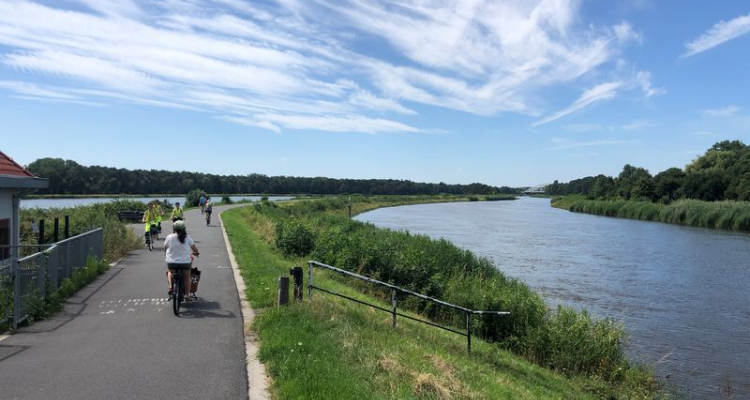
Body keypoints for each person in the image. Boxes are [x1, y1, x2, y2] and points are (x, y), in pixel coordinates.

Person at [164, 220, 199, 300]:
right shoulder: (188, 237)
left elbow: (165, 248)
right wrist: (197, 253)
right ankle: (187, 295)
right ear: (184, 229)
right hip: (185, 263)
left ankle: (170, 286)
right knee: (187, 277)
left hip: (171, 262)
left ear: (174, 228)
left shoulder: (169, 237)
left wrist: (166, 253)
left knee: (170, 271)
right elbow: (194, 249)